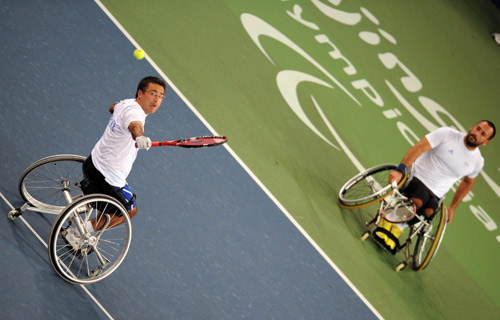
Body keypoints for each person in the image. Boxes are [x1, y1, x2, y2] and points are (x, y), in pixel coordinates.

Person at [63, 76, 167, 250]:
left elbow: (113, 107)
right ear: (140, 94)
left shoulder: (126, 104)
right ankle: (78, 233)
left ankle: (87, 201)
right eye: (153, 94)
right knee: (130, 211)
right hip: (107, 179)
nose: (156, 100)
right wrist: (139, 137)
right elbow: (135, 126)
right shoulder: (135, 114)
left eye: (161, 96)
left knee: (115, 199)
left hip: (91, 164)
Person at [375, 120, 496, 250]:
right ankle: (388, 220)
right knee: (419, 201)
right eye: (477, 128)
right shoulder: (447, 134)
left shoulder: (477, 162)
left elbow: (468, 182)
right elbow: (419, 147)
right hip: (417, 176)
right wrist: (400, 169)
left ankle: (396, 229)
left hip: (436, 193)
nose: (477, 133)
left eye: (482, 134)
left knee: (429, 211)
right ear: (472, 126)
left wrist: (453, 207)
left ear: (485, 142)